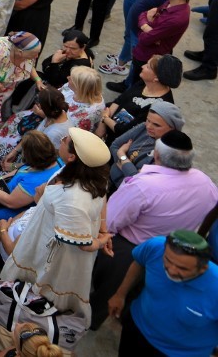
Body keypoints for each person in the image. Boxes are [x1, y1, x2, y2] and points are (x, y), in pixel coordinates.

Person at [90, 131, 218, 330]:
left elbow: (109, 222)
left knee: (105, 293)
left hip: (126, 251)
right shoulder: (206, 183)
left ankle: (89, 321)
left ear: (156, 154)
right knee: (138, 292)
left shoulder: (144, 185)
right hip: (168, 252)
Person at [0, 128, 112, 329]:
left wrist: (103, 238)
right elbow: (103, 199)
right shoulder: (85, 175)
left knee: (41, 290)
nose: (60, 140)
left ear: (72, 156)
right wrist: (102, 228)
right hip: (47, 228)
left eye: (64, 140)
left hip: (56, 253)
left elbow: (83, 244)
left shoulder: (73, 199)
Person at [108, 230, 218, 357]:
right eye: (167, 260)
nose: (171, 270)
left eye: (182, 268)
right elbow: (139, 261)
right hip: (136, 330)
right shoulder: (155, 246)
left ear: (203, 269)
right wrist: (120, 295)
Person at [0, 131, 60, 223]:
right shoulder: (55, 161)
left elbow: (11, 202)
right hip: (3, 191)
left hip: (6, 207)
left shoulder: (34, 181)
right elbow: (21, 170)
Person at [109, 100, 185, 187]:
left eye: (156, 125)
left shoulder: (170, 152)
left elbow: (139, 181)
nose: (148, 126)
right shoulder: (143, 127)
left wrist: (121, 155)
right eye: (148, 120)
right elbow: (114, 145)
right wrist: (127, 166)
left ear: (172, 128)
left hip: (129, 192)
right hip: (110, 178)